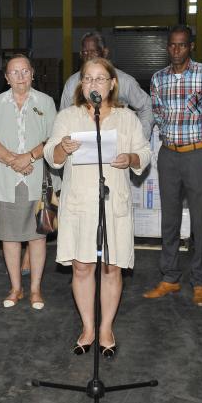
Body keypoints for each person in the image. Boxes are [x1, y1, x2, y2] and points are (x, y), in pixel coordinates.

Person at [44, 57, 151, 357]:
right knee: (82, 266)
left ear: (112, 83)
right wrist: (62, 148)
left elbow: (144, 153)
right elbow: (51, 155)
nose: (93, 84)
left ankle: (106, 328)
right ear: (81, 85)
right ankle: (88, 327)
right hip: (79, 203)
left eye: (100, 78)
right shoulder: (68, 116)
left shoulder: (127, 118)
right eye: (88, 79)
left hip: (112, 202)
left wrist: (131, 159)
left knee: (111, 266)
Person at [143, 25, 202, 307]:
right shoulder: (158, 78)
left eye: (181, 44)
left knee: (200, 221)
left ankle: (200, 281)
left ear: (191, 46)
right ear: (167, 47)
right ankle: (170, 277)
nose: (176, 50)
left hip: (198, 155)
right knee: (169, 220)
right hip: (169, 155)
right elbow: (157, 114)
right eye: (172, 45)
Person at [0, 54, 56, 310]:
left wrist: (30, 157)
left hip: (38, 182)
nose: (20, 76)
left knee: (37, 238)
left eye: (25, 71)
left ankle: (35, 289)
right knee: (10, 238)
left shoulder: (45, 102)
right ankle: (16, 288)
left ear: (32, 74)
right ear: (6, 77)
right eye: (14, 72)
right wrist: (13, 160)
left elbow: (54, 139)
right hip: (6, 181)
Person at [59, 31, 153, 140]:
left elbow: (146, 105)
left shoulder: (123, 81)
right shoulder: (72, 83)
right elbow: (63, 116)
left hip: (118, 144)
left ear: (105, 52)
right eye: (84, 52)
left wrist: (141, 137)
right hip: (83, 144)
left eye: (93, 51)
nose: (88, 56)